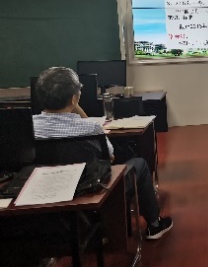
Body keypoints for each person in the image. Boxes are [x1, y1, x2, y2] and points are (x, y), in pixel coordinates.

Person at [32, 67, 173, 240]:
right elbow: (110, 157)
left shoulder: (27, 127)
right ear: (74, 98)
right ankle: (154, 225)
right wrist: (77, 108)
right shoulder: (90, 127)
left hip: (44, 188)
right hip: (90, 188)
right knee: (140, 164)